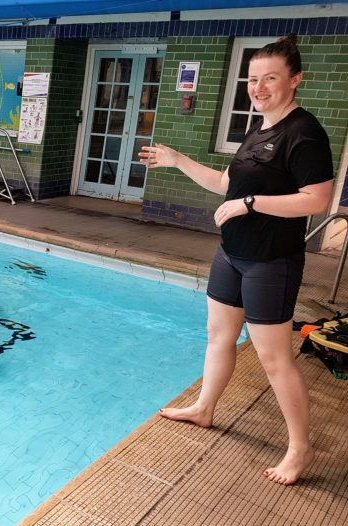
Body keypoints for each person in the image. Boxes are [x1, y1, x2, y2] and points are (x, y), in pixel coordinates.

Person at [139, 34, 333, 486]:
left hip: (271, 261)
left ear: (295, 80)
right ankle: (205, 408)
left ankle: (300, 448)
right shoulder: (258, 129)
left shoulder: (303, 133)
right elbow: (225, 182)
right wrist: (177, 159)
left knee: (274, 359)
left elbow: (318, 199)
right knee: (218, 337)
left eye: (271, 78)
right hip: (232, 254)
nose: (259, 87)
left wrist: (251, 204)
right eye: (253, 79)